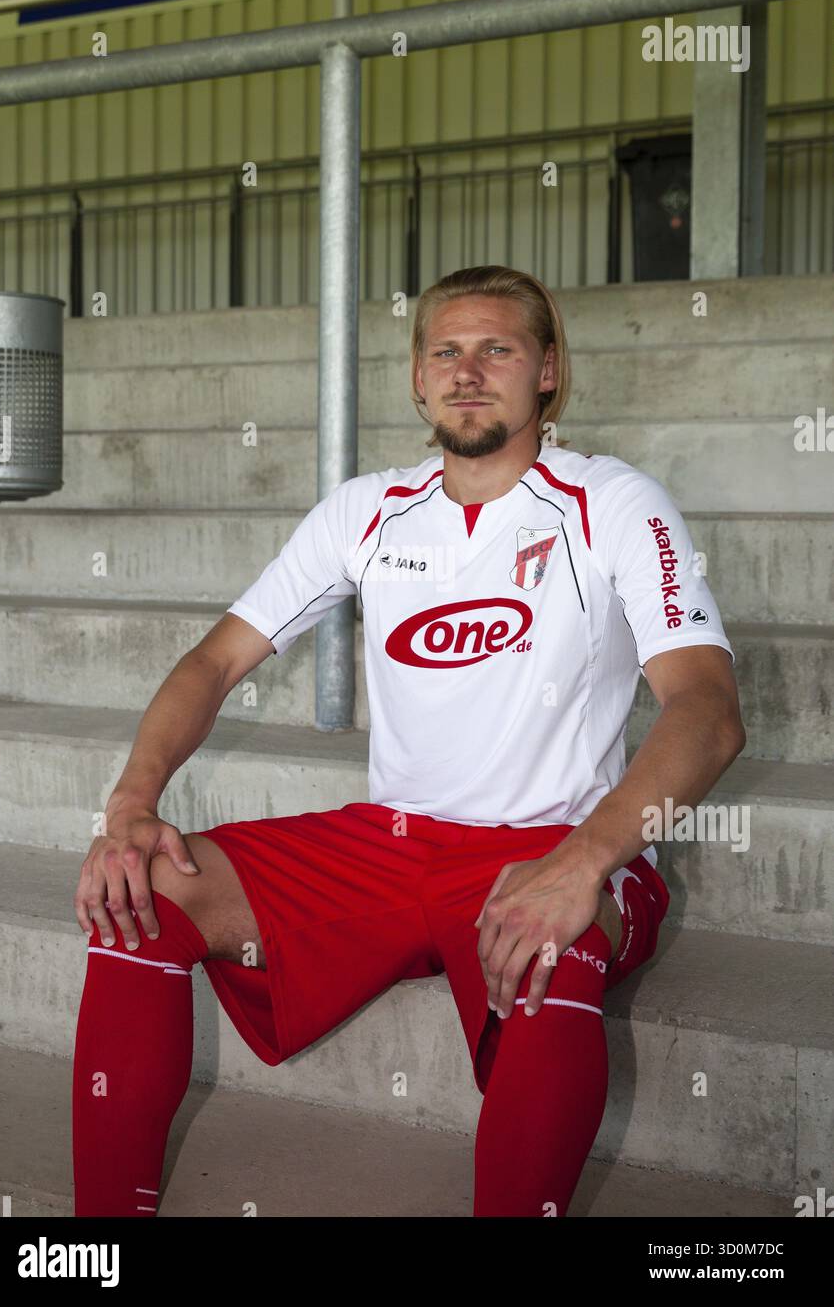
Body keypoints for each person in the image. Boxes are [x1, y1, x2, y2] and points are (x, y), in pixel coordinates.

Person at [71, 264, 745, 1218]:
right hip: (390, 842)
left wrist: (585, 859)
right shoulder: (369, 510)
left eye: (497, 350)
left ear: (547, 371)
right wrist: (132, 803)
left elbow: (707, 711)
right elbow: (213, 664)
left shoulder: (615, 503)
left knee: (550, 956)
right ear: (418, 382)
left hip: (546, 844)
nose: (469, 373)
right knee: (137, 898)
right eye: (446, 352)